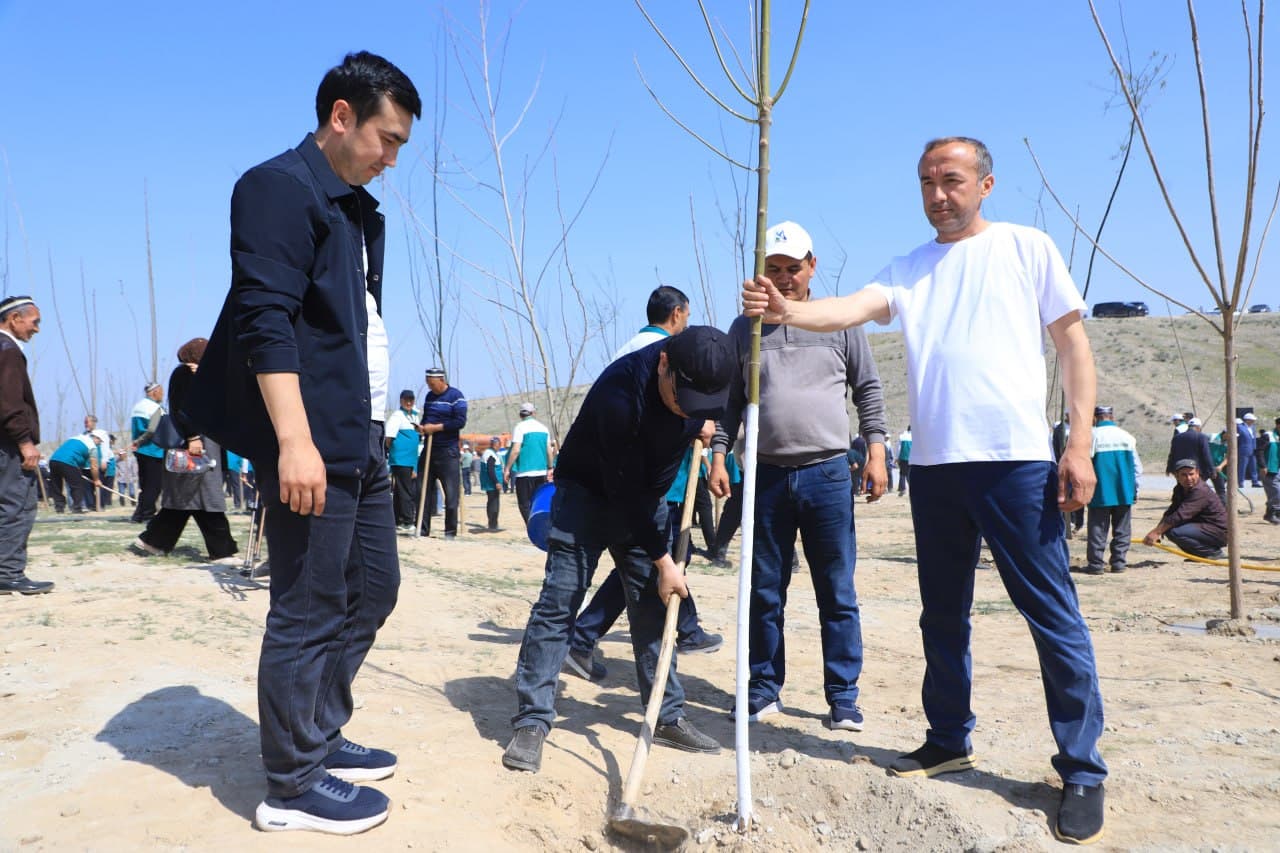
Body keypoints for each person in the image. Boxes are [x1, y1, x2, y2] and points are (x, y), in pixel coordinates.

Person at [742, 138, 1108, 845]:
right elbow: (847, 308)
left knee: (1052, 616)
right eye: (926, 182)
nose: (938, 194)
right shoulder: (911, 269)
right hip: (936, 468)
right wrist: (785, 311)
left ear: (985, 184)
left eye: (952, 180)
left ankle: (1083, 768)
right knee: (942, 615)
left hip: (1016, 462)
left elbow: (1072, 345)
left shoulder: (1027, 248)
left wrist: (1079, 441)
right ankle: (948, 737)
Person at [184, 51, 421, 835]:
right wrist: (293, 442)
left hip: (363, 438)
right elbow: (266, 322)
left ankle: (317, 731)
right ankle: (291, 782)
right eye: (386, 139)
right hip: (312, 443)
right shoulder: (276, 188)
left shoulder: (353, 208)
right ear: (341, 117)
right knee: (309, 605)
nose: (392, 159)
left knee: (372, 589)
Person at [503, 326, 733, 774]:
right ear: (664, 364)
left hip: (648, 499)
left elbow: (699, 428)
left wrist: (704, 431)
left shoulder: (700, 379)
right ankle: (532, 721)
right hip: (587, 496)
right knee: (559, 604)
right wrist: (664, 559)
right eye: (683, 399)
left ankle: (665, 716)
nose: (687, 408)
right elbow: (623, 492)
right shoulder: (620, 395)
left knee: (652, 607)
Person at [710, 220, 888, 735]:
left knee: (836, 591)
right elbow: (729, 404)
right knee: (765, 589)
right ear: (760, 272)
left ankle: (843, 698)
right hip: (765, 477)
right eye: (774, 269)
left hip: (827, 473)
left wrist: (875, 451)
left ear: (812, 267)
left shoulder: (839, 321)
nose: (784, 279)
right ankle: (763, 690)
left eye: (793, 268)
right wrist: (721, 455)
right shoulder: (746, 328)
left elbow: (869, 389)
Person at [132, 339, 239, 560]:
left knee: (189, 499)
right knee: (200, 497)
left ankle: (153, 541)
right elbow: (184, 408)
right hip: (195, 443)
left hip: (206, 443)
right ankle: (223, 550)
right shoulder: (185, 374)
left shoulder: (202, 375)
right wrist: (193, 437)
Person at [0, 295, 52, 595]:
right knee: (17, 505)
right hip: (8, 444)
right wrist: (25, 442)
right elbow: (9, 402)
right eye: (35, 322)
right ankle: (9, 574)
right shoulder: (8, 350)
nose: (36, 329)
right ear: (15, 319)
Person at [1083, 406, 1141, 575]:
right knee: (1122, 529)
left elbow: (1084, 463)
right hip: (1124, 491)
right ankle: (1118, 563)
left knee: (1097, 529)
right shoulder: (1126, 437)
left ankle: (1095, 565)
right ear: (1111, 416)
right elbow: (1138, 467)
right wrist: (1134, 489)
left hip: (1100, 492)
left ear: (1095, 418)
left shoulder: (1092, 436)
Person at [1143, 459, 1229, 557]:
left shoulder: (1200, 491)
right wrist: (1157, 531)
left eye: (1191, 474)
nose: (1188, 478)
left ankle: (1212, 552)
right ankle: (1199, 555)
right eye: (1184, 475)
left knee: (1174, 532)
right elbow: (1172, 511)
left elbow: (1180, 515)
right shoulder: (1179, 489)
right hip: (1202, 526)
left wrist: (1156, 532)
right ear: (1176, 476)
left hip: (1218, 532)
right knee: (1168, 528)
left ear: (1197, 473)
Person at [418, 367, 467, 538]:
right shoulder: (429, 397)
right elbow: (426, 418)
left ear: (441, 380)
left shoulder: (456, 396)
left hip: (448, 451)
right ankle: (422, 529)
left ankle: (450, 532)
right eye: (428, 384)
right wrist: (423, 428)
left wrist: (437, 428)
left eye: (432, 384)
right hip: (429, 449)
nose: (430, 387)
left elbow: (460, 421)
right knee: (422, 490)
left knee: (451, 494)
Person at [505, 401, 553, 523]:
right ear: (533, 413)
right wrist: (550, 467)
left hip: (524, 473)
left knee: (524, 504)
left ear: (521, 415)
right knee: (537, 502)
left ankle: (532, 527)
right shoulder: (543, 428)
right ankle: (541, 527)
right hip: (541, 472)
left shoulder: (520, 427)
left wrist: (507, 468)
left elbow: (515, 450)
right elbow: (549, 451)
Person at [613, 284, 690, 357]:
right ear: (677, 313)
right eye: (687, 316)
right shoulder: (672, 351)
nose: (687, 324)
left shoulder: (622, 352)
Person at [384, 389, 421, 532]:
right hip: (401, 460)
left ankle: (398, 519)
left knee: (400, 491)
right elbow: (389, 437)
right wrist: (393, 454)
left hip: (410, 460)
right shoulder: (397, 416)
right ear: (401, 400)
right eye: (406, 400)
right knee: (406, 491)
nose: (409, 402)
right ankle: (407, 520)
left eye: (411, 399)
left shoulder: (415, 416)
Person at [130, 382, 167, 523]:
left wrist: (137, 442)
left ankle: (138, 515)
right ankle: (148, 515)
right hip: (154, 450)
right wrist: (140, 440)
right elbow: (152, 430)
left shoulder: (137, 407)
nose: (162, 395)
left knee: (145, 486)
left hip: (141, 452)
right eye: (161, 391)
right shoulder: (154, 408)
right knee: (154, 486)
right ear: (154, 392)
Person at [48, 432, 101, 514]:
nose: (99, 444)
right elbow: (94, 466)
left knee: (56, 486)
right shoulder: (92, 447)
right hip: (69, 462)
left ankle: (59, 508)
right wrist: (96, 480)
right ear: (96, 438)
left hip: (53, 460)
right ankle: (77, 508)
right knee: (77, 486)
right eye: (100, 441)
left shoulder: (75, 438)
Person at [1167, 416, 1213, 481]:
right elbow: (1206, 455)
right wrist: (1211, 470)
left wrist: (1169, 468)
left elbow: (1172, 454)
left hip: (1181, 470)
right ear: (1198, 427)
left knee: (1182, 489)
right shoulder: (1201, 437)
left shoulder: (1177, 437)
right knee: (1196, 489)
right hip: (1195, 471)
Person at [479, 436, 503, 530]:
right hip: (491, 483)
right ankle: (493, 524)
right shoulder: (490, 454)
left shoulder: (492, 453)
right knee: (493, 503)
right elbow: (490, 469)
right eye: (498, 444)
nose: (499, 446)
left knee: (493, 502)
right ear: (494, 445)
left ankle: (493, 523)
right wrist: (496, 482)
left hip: (492, 482)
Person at [1261, 417, 1280, 524]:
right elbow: (1259, 451)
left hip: (1278, 467)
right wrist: (1262, 466)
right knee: (1276, 492)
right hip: (1269, 468)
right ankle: (1271, 514)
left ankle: (1275, 513)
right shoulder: (1268, 435)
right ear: (1278, 425)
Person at [1238, 414, 1257, 488]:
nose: (1253, 421)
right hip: (1243, 450)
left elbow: (1254, 439)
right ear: (1247, 420)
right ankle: (1241, 482)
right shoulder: (1240, 427)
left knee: (1253, 466)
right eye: (1252, 420)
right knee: (1242, 467)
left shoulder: (1253, 427)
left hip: (1253, 450)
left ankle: (1255, 482)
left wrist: (1255, 448)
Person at [897, 425, 912, 496]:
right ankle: (912, 487)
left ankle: (902, 489)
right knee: (910, 474)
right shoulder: (914, 437)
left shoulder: (902, 436)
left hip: (903, 458)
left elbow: (899, 448)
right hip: (912, 458)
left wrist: (897, 458)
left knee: (902, 474)